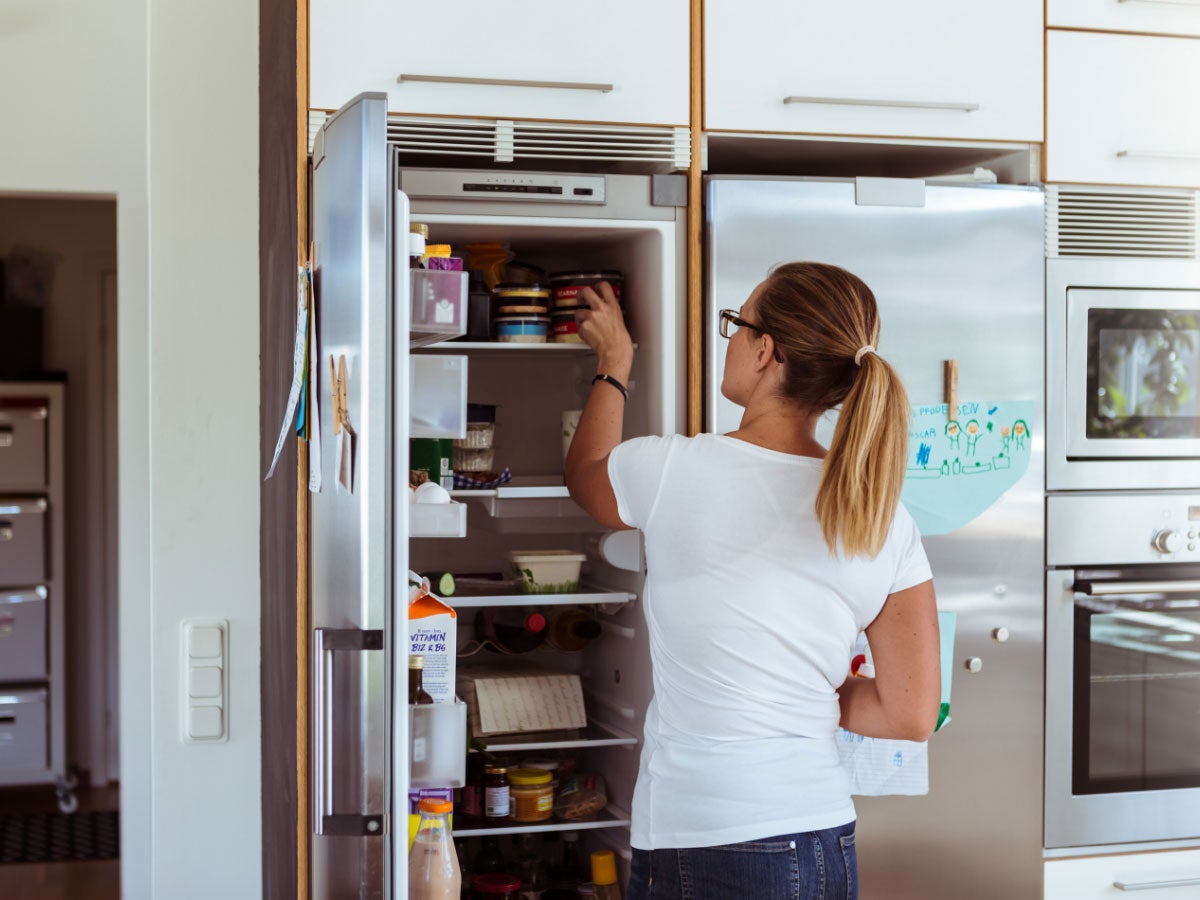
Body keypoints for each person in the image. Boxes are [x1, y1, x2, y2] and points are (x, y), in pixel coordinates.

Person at [564, 262, 940, 900]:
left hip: (712, 836)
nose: (731, 338)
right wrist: (805, 688)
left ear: (767, 350)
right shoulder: (882, 515)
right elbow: (910, 714)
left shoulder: (677, 471)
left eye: (736, 324)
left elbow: (587, 475)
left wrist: (615, 361)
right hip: (825, 835)